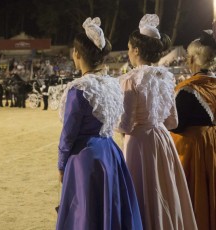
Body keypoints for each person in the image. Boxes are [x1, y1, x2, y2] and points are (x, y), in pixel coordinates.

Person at [56, 17, 142, 230]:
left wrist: (61, 164)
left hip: (85, 157)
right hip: (110, 151)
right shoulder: (113, 84)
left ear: (77, 54)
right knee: (109, 206)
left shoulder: (79, 89)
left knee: (86, 212)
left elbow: (68, 135)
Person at [116, 14, 197, 230]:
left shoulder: (131, 79)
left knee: (141, 193)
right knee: (165, 191)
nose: (128, 52)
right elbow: (172, 121)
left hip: (139, 143)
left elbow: (124, 125)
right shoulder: (166, 77)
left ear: (136, 50)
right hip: (162, 140)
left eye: (129, 48)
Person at [170, 29, 216, 230]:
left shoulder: (187, 90)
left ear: (194, 60)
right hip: (213, 146)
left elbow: (176, 125)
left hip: (194, 153)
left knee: (197, 199)